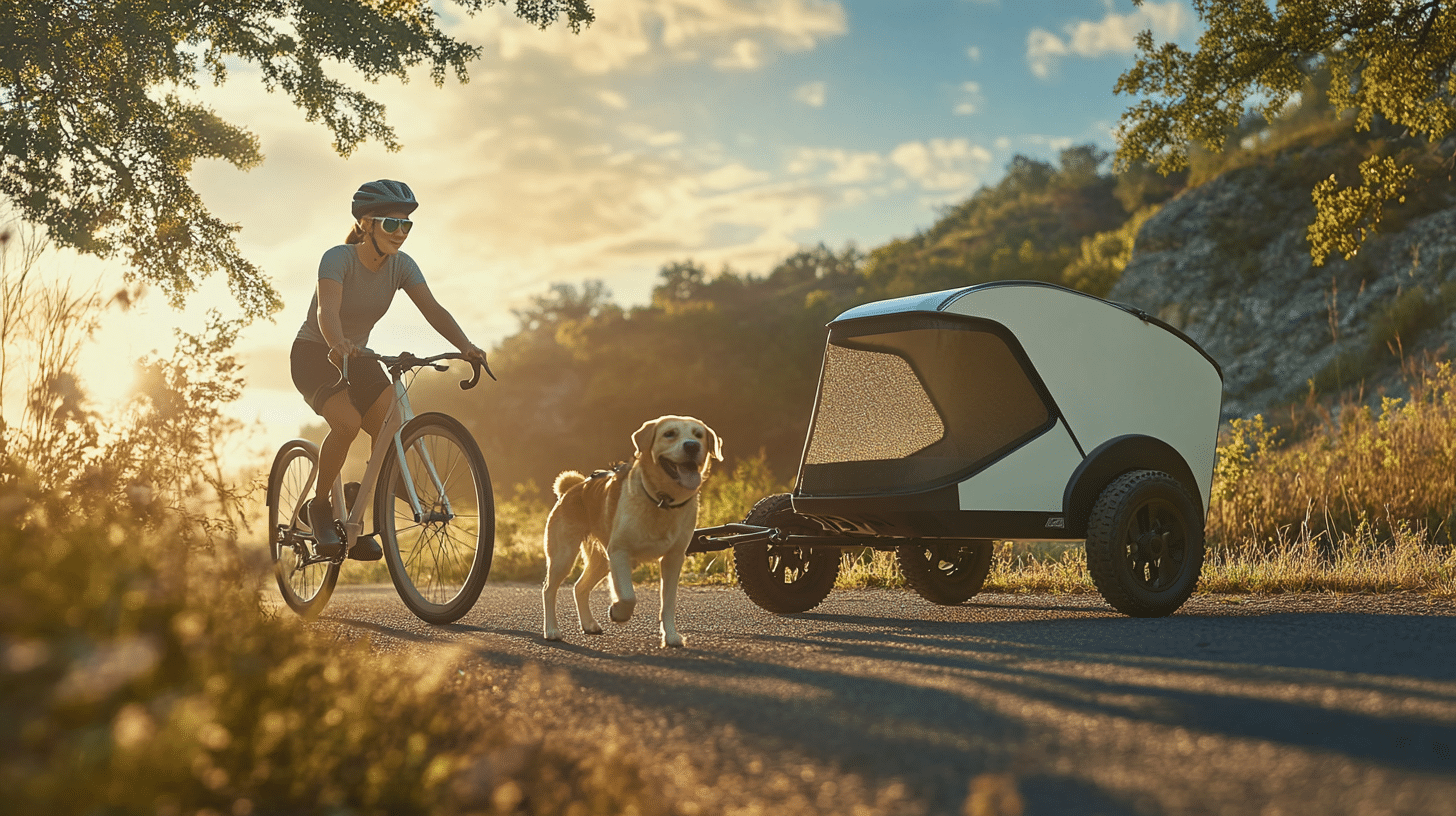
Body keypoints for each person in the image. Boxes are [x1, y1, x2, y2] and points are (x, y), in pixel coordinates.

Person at [290, 179, 488, 560]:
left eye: (406, 226)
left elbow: (433, 310)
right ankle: (318, 507)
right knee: (347, 424)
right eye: (391, 224)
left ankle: (352, 503)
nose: (400, 234)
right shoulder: (338, 258)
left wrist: (466, 346)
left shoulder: (402, 267)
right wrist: (336, 343)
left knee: (390, 434)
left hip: (359, 356)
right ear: (366, 224)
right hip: (316, 352)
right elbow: (325, 311)